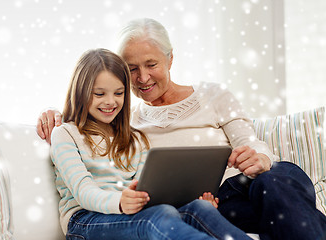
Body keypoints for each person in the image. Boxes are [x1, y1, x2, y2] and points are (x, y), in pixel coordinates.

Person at [38, 19, 326, 240]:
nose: (143, 77)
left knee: (275, 179)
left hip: (248, 187)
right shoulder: (128, 123)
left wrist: (259, 157)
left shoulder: (212, 96)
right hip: (211, 205)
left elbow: (252, 142)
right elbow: (91, 115)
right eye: (132, 69)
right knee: (288, 211)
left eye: (151, 64)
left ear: (170, 60)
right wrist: (60, 113)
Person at [50, 48, 252, 240]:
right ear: (80, 92)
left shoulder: (135, 139)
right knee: (156, 218)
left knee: (198, 209)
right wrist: (120, 202)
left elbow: (147, 191)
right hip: (84, 221)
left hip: (129, 215)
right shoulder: (65, 134)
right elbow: (84, 192)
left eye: (119, 93)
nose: (110, 102)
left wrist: (188, 202)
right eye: (99, 94)